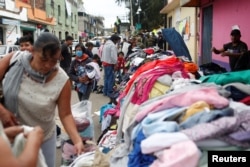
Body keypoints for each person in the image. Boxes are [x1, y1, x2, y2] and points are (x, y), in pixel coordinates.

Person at [0, 32, 84, 167]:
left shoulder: (61, 81)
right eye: (43, 59)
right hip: (8, 134)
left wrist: (77, 140)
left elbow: (66, 114)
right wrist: (2, 111)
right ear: (32, 51)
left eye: (54, 60)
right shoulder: (14, 61)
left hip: (43, 139)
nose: (48, 65)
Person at [101, 34, 121, 103]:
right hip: (110, 63)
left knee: (106, 77)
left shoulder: (106, 44)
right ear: (115, 40)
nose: (118, 42)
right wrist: (115, 63)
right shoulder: (112, 45)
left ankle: (105, 91)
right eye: (117, 41)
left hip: (105, 62)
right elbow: (113, 56)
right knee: (110, 78)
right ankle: (109, 91)